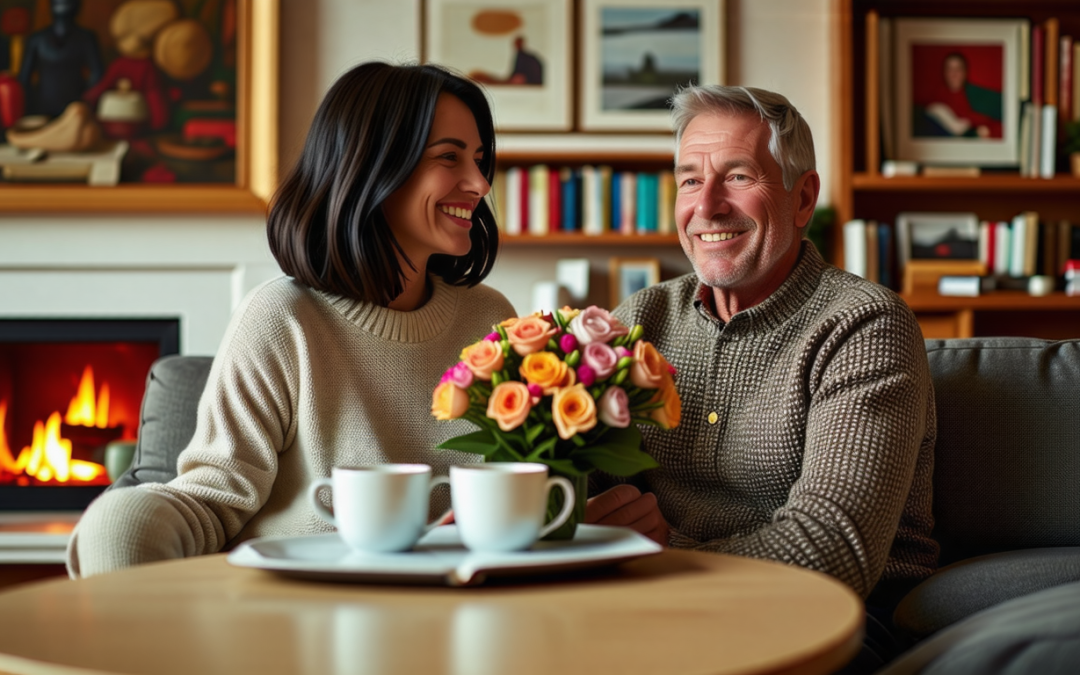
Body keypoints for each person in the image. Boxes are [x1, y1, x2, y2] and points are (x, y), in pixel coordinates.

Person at [66, 62, 515, 577]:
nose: (479, 183)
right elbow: (215, 496)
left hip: (463, 604)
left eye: (479, 160)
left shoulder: (492, 318)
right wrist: (124, 521)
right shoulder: (282, 318)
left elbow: (520, 486)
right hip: (298, 609)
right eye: (449, 158)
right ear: (373, 166)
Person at [586, 84, 938, 673]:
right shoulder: (639, 318)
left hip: (827, 620)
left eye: (739, 176)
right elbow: (579, 491)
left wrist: (661, 556)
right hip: (643, 605)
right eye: (691, 180)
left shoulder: (863, 324)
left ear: (803, 199)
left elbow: (834, 550)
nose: (708, 206)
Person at [917, 52, 1002, 139]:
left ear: (965, 72)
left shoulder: (974, 94)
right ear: (944, 73)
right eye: (950, 69)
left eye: (958, 69)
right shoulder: (936, 97)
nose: (954, 74)